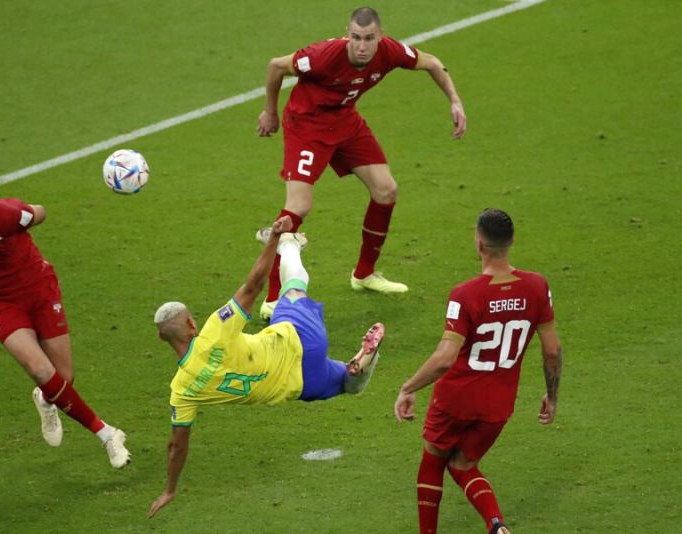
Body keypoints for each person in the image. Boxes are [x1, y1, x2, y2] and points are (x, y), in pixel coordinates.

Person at [148, 216, 385, 517]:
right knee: (293, 290)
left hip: (299, 383)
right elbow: (254, 285)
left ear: (161, 338)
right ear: (191, 324)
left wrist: (170, 488)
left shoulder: (182, 392)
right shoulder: (212, 332)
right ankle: (290, 245)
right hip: (299, 339)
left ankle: (362, 362)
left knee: (347, 386)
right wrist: (274, 238)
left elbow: (176, 447)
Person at [255, 6, 467, 320]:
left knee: (386, 190)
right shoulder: (323, 56)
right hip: (307, 126)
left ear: (380, 37)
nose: (362, 45)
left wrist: (455, 100)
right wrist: (270, 112)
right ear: (347, 34)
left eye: (369, 38)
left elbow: (433, 63)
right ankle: (273, 297)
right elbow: (276, 67)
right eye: (356, 38)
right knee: (298, 206)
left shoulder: (390, 52)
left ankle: (364, 274)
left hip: (345, 122)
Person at [0, 171, 130, 468]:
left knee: (63, 379)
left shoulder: (1, 213)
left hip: (40, 290)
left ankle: (45, 399)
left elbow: (39, 213)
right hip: (1, 303)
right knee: (39, 368)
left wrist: (26, 217)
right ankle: (108, 434)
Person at [393, 209, 563, 533]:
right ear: (511, 242)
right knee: (463, 465)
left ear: (479, 244)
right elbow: (552, 350)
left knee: (434, 460)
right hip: (498, 406)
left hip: (455, 398)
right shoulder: (537, 286)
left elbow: (445, 358)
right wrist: (552, 397)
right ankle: (496, 525)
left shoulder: (466, 293)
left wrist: (408, 387)